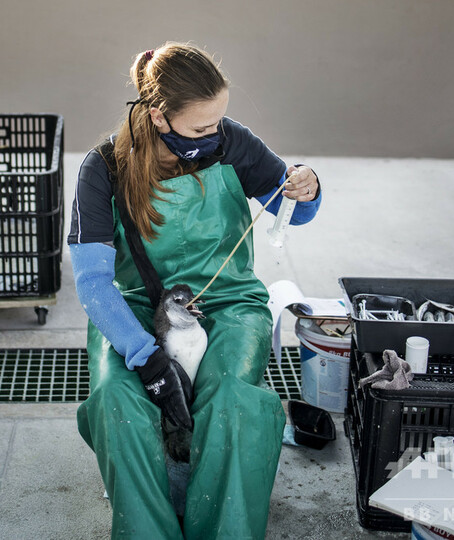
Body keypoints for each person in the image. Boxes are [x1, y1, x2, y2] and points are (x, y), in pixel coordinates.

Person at [68, 42, 322, 539]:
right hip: (135, 308)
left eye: (220, 122)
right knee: (117, 401)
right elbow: (94, 283)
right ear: (160, 117)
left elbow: (295, 207)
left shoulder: (231, 142)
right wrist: (144, 356)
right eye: (202, 127)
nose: (215, 134)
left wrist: (308, 188)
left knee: (232, 402)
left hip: (227, 302)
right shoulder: (103, 169)